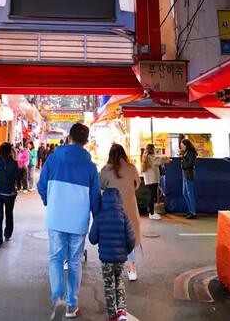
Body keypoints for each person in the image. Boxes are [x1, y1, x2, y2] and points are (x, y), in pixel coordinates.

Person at [38, 123, 101, 320]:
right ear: (86, 141)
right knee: (74, 262)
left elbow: (41, 185)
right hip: (78, 221)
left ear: (69, 138)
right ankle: (71, 306)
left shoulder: (53, 159)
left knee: (56, 259)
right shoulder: (91, 167)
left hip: (56, 218)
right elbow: (95, 198)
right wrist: (97, 216)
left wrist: (50, 201)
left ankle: (58, 298)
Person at [89, 188, 135, 321]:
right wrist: (125, 252)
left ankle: (112, 316)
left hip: (106, 259)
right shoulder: (124, 217)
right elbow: (131, 239)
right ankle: (121, 312)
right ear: (120, 201)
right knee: (119, 282)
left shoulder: (100, 217)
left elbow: (92, 239)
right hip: (120, 258)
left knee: (109, 285)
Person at [99, 144, 141, 281]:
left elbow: (101, 185)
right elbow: (137, 185)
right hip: (130, 209)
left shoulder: (106, 169)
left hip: (112, 210)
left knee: (113, 239)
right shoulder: (131, 168)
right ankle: (132, 269)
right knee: (130, 238)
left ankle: (113, 271)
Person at [0, 142, 18, 248]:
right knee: (9, 214)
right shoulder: (13, 163)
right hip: (9, 193)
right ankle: (7, 234)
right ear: (9, 151)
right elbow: (17, 178)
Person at [141, 144, 170, 220]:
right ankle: (151, 213)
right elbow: (160, 160)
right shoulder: (152, 157)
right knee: (152, 196)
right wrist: (166, 157)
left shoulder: (146, 157)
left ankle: (151, 211)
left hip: (148, 179)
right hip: (153, 179)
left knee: (150, 196)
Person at [180, 138, 198, 219]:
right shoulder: (186, 153)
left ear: (185, 145)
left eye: (182, 144)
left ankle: (193, 212)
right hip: (185, 175)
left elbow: (190, 164)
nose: (181, 146)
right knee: (185, 193)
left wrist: (183, 159)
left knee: (190, 193)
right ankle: (190, 210)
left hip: (189, 175)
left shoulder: (191, 153)